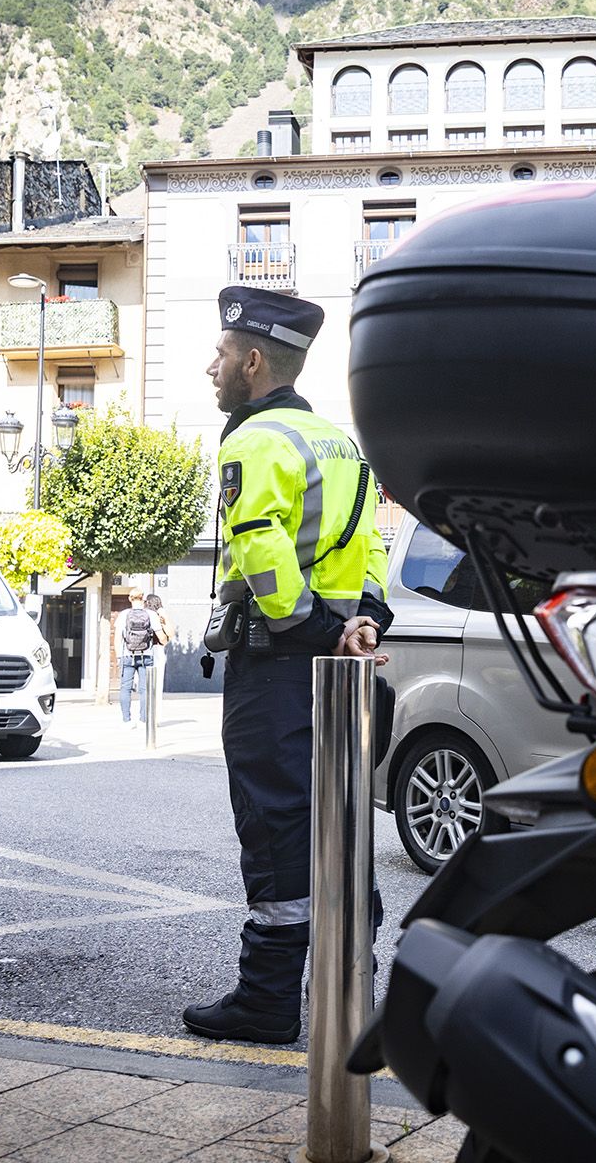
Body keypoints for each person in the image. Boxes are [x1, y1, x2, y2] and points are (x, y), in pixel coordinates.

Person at [182, 286, 392, 1045]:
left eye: (222, 354)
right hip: (339, 670)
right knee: (340, 820)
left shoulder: (252, 440)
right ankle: (352, 988)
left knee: (276, 824)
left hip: (277, 672)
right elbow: (371, 546)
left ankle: (267, 999)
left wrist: (306, 627)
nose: (213, 367)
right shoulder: (339, 442)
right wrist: (358, 624)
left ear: (255, 359)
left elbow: (265, 547)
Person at [114, 590, 166, 726]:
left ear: (130, 599)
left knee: (125, 689)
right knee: (145, 689)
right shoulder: (151, 614)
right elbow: (161, 637)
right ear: (143, 599)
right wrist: (165, 639)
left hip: (127, 655)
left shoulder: (123, 615)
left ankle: (127, 721)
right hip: (146, 655)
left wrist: (119, 657)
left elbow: (117, 639)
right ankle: (143, 720)